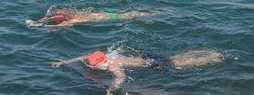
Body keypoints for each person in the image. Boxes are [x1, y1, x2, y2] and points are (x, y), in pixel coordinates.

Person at [52, 48, 224, 93]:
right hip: (144, 57)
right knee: (175, 58)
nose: (89, 64)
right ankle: (209, 54)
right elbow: (82, 57)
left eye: (92, 64)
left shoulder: (113, 65)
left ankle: (212, 58)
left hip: (150, 64)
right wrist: (63, 62)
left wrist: (112, 87)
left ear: (100, 62)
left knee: (178, 64)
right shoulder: (106, 55)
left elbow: (121, 76)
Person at [26, 8, 160, 28]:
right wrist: (37, 22)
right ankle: (159, 12)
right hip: (109, 14)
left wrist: (41, 26)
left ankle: (153, 16)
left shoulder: (76, 19)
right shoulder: (76, 14)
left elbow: (59, 24)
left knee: (132, 17)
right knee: (135, 14)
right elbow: (55, 16)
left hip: (112, 19)